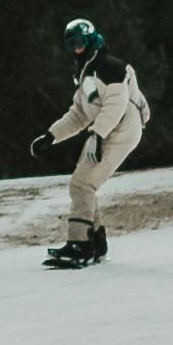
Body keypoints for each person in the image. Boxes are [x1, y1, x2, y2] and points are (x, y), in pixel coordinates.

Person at [33, 15, 149, 268]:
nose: (76, 49)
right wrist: (51, 136)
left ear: (92, 41)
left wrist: (98, 135)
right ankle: (94, 242)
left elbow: (116, 105)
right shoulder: (86, 74)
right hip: (106, 129)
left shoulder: (109, 67)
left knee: (82, 184)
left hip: (119, 129)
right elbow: (78, 114)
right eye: (71, 45)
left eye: (80, 43)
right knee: (83, 184)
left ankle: (81, 245)